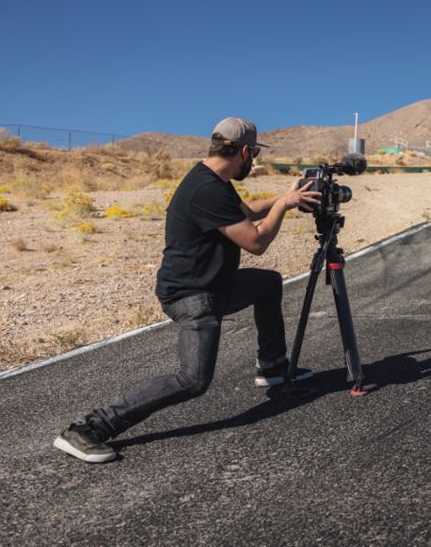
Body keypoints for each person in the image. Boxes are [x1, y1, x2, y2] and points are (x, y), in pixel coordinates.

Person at [54, 117, 321, 463]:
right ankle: (88, 428)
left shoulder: (213, 180)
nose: (252, 160)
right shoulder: (207, 190)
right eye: (252, 154)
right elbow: (255, 241)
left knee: (267, 284)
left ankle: (272, 367)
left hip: (215, 285)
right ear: (243, 151)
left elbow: (245, 212)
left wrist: (287, 196)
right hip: (193, 295)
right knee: (193, 380)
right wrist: (284, 207)